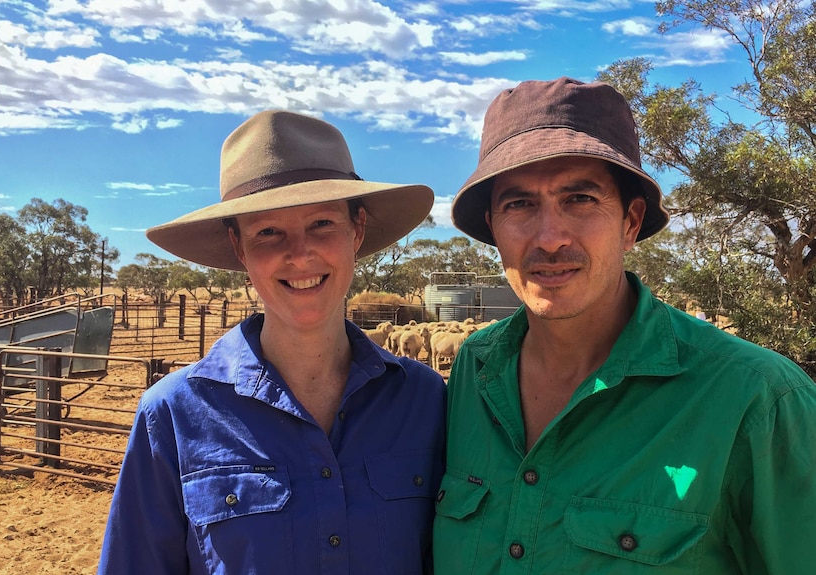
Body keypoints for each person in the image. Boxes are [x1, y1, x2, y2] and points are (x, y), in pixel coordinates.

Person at [432, 77, 816, 573]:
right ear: (493, 227)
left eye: (580, 199)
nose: (549, 238)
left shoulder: (758, 401)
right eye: (520, 204)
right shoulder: (473, 372)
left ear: (631, 222)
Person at [98, 110, 446, 574]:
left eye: (322, 223)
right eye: (267, 232)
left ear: (356, 230)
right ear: (239, 247)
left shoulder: (425, 400)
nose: (299, 254)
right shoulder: (174, 414)